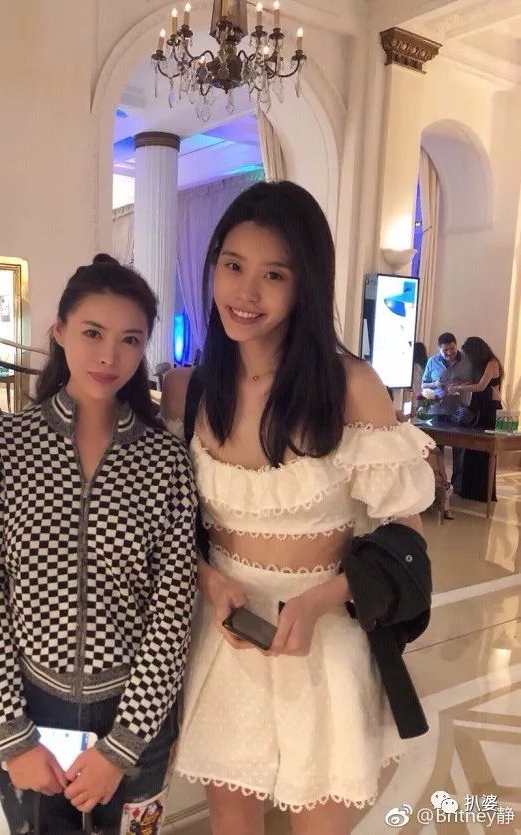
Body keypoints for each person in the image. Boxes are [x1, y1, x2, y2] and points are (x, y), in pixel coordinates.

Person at [161, 181, 436, 835]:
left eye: (274, 275)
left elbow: (406, 532)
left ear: (304, 285)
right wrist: (211, 581)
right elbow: (172, 529)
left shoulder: (349, 386)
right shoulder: (190, 388)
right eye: (233, 265)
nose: (246, 292)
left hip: (324, 641)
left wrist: (319, 600)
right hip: (226, 639)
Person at [0, 254, 198, 835]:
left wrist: (121, 747)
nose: (108, 356)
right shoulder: (3, 448)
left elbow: (172, 610)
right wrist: (11, 732)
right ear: (59, 331)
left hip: (135, 720)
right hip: (31, 714)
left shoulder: (165, 462)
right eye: (93, 333)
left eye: (129, 340)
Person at [449, 336, 504, 502]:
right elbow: (474, 381)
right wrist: (458, 385)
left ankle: (481, 492)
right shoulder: (481, 364)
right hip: (479, 408)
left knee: (484, 450)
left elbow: (480, 386)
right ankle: (469, 490)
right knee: (472, 448)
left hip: (488, 411)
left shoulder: (492, 363)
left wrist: (459, 387)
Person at [421, 332, 472, 492]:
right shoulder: (432, 361)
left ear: (456, 345)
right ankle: (438, 483)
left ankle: (458, 485)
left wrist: (460, 385)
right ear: (439, 349)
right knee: (436, 448)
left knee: (460, 448)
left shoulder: (467, 361)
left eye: (452, 349)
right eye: (445, 350)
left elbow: (474, 381)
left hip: (459, 410)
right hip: (437, 409)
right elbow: (423, 384)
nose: (449, 353)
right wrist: (436, 384)